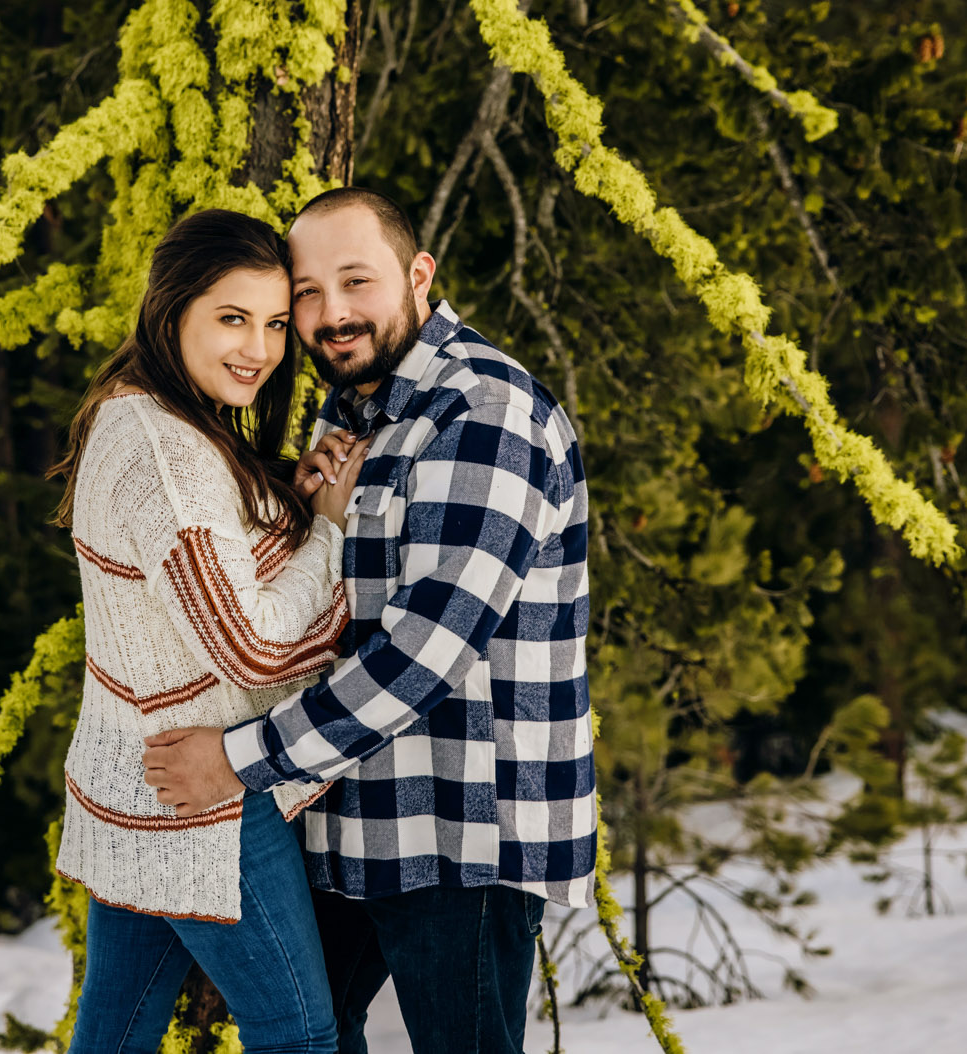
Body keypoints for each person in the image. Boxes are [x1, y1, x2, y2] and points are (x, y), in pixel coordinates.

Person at [141, 187, 596, 1054]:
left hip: (463, 828)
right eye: (308, 293)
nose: (332, 314)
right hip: (350, 815)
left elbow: (423, 654)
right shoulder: (355, 407)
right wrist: (306, 514)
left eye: (358, 281)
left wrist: (239, 763)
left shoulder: (483, 413)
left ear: (420, 274)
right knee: (304, 1037)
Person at [48, 208, 370, 1054]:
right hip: (200, 790)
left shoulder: (146, 415)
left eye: (272, 324)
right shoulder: (166, 455)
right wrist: (330, 535)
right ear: (172, 309)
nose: (259, 350)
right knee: (298, 1034)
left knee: (115, 1034)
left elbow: (201, 577)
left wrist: (288, 508)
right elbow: (251, 648)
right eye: (232, 318)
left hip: (132, 775)